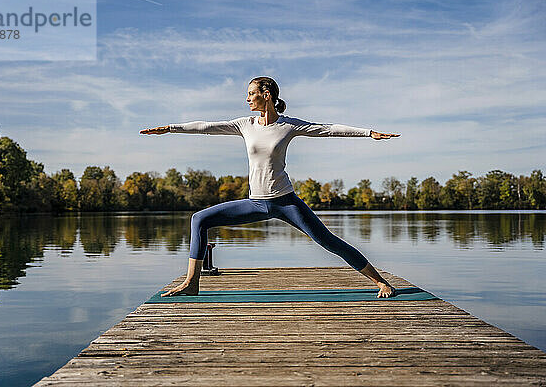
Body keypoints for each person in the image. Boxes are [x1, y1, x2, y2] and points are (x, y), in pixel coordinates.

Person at [140, 76, 400, 298]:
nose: (247, 99)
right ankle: (191, 283)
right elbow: (206, 126)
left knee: (329, 242)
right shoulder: (245, 125)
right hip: (255, 202)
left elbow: (328, 129)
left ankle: (380, 281)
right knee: (199, 219)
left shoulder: (288, 125)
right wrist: (170, 128)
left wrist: (368, 133)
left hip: (286, 203)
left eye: (251, 93)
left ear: (267, 95)